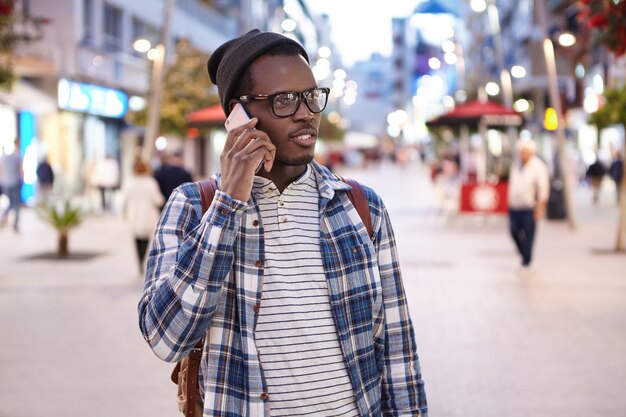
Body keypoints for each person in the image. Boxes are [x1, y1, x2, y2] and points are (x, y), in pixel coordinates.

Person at [138, 29, 427, 417]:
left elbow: (397, 349)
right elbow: (166, 338)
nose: (306, 112)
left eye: (311, 96)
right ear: (238, 116)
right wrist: (228, 206)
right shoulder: (193, 207)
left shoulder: (360, 207)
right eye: (285, 100)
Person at [507, 140, 550, 274]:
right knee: (513, 231)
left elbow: (543, 188)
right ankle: (524, 255)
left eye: (525, 152)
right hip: (514, 207)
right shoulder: (515, 164)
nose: (522, 154)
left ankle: (526, 262)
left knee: (529, 235)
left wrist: (540, 207)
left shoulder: (538, 167)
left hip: (529, 208)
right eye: (521, 151)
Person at [121, 157, 164, 273]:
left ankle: (139, 260)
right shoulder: (150, 182)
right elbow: (158, 199)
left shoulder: (129, 182)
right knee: (145, 239)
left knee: (136, 238)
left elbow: (124, 200)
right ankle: (142, 259)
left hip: (134, 214)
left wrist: (123, 212)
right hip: (148, 214)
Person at [0, 140, 23, 232]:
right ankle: (15, 222)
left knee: (11, 202)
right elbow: (21, 170)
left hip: (6, 183)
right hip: (14, 182)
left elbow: (1, 171)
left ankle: (4, 217)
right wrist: (21, 180)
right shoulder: (17, 156)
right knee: (16, 203)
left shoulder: (2, 157)